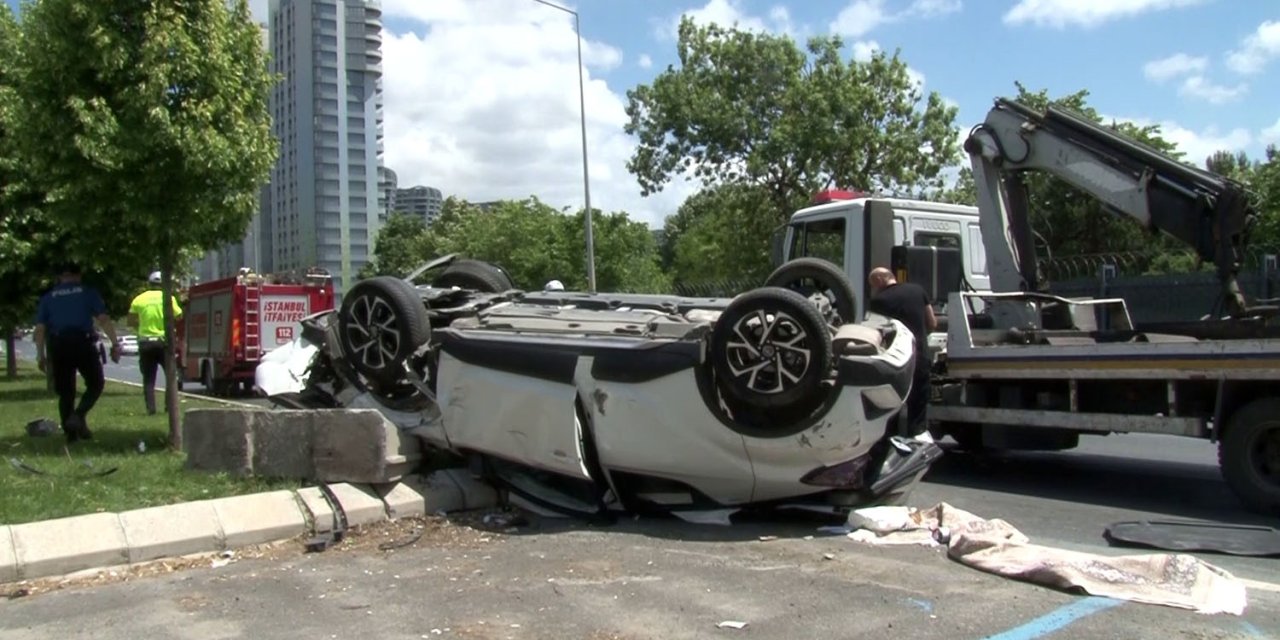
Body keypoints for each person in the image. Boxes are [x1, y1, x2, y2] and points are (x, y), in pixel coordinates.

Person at [33, 263, 120, 443]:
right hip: (83, 343)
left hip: (59, 345)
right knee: (96, 383)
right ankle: (79, 415)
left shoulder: (48, 298)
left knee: (66, 392)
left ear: (59, 278)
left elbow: (40, 329)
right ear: (79, 276)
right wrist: (115, 344)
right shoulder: (88, 292)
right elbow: (103, 319)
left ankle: (71, 435)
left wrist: (40, 355)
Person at [867, 267, 937, 438]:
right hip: (920, 356)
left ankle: (889, 444)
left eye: (872, 285)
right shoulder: (918, 290)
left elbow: (876, 334)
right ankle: (917, 440)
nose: (873, 289)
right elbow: (932, 323)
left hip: (896, 362)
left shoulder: (879, 301)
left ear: (879, 280)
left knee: (891, 408)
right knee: (918, 408)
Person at [128, 271, 183, 415]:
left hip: (145, 342)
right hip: (163, 342)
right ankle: (169, 407)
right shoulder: (169, 298)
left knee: (148, 379)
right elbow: (179, 316)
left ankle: (151, 409)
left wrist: (141, 328)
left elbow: (131, 321)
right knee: (171, 377)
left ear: (149, 284)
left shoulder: (139, 299)